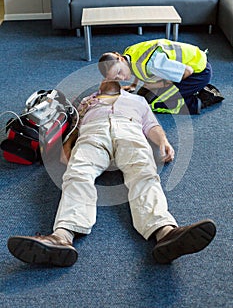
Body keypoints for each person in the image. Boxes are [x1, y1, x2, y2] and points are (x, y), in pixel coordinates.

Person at [7, 80, 216, 267]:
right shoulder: (87, 102)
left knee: (144, 174)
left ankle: (165, 232)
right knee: (77, 175)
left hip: (130, 131)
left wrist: (163, 141)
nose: (108, 80)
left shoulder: (138, 101)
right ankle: (62, 236)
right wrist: (66, 149)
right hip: (93, 134)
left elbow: (151, 125)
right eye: (104, 79)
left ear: (126, 86)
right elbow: (75, 129)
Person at [98, 38, 224, 115]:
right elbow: (135, 69)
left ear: (119, 58)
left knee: (154, 103)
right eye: (116, 78)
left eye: (119, 72)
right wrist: (133, 85)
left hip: (197, 73)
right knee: (142, 95)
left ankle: (203, 99)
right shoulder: (128, 53)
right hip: (189, 65)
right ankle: (192, 89)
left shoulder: (152, 64)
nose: (121, 78)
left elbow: (188, 71)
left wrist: (157, 85)